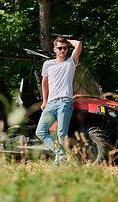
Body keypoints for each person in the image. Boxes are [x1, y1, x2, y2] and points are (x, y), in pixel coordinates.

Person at [35, 36, 82, 164]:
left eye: (65, 48)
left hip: (64, 102)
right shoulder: (47, 64)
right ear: (54, 49)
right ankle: (60, 154)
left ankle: (60, 160)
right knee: (40, 131)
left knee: (61, 135)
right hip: (50, 103)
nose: (62, 50)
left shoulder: (70, 63)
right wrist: (44, 101)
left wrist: (67, 40)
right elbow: (45, 82)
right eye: (60, 48)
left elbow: (78, 44)